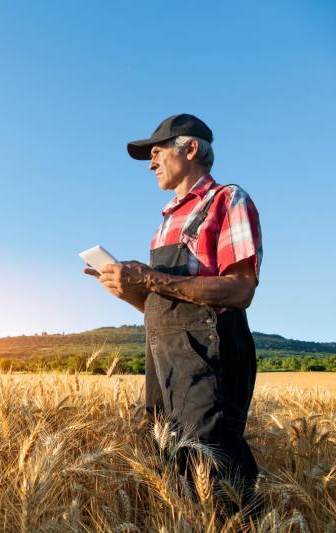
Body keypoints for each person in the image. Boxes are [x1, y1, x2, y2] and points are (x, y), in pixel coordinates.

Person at [84, 114, 263, 510]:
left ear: (191, 149)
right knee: (172, 465)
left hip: (209, 358)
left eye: (157, 152)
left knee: (216, 471)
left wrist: (150, 278)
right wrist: (129, 291)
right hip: (164, 361)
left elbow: (240, 289)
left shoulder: (226, 200)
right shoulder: (165, 222)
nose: (150, 163)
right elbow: (162, 305)